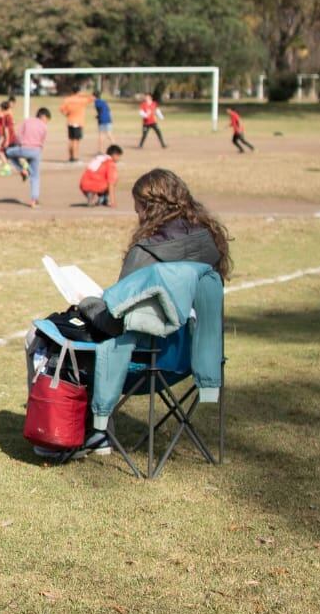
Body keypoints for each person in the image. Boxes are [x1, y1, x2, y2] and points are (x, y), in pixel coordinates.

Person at [30, 169, 232, 459]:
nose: (135, 211)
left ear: (149, 207)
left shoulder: (147, 252)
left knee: (46, 339)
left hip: (143, 362)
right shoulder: (208, 242)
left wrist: (86, 302)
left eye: (137, 205)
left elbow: (114, 321)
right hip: (191, 357)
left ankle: (69, 433)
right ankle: (94, 432)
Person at [5, 107, 49, 208]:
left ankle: (22, 169)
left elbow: (19, 135)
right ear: (43, 116)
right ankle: (34, 200)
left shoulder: (27, 121)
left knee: (8, 152)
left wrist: (20, 145)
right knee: (35, 176)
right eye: (46, 119)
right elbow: (42, 140)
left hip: (23, 149)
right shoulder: (44, 126)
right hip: (36, 151)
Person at [60, 85, 95, 162]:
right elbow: (93, 97)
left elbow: (62, 109)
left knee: (71, 140)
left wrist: (66, 114)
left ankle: (70, 156)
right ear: (78, 91)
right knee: (76, 141)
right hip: (78, 122)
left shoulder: (67, 99)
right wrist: (82, 94)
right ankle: (75, 157)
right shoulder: (82, 100)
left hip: (70, 121)